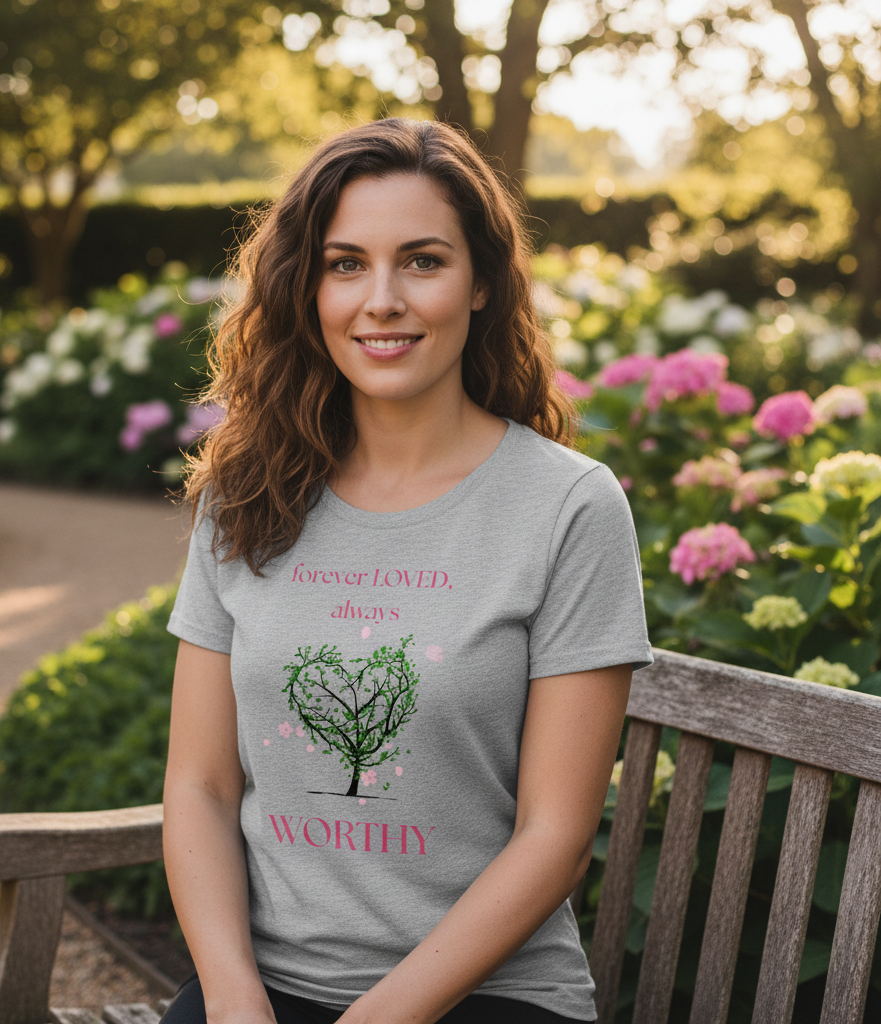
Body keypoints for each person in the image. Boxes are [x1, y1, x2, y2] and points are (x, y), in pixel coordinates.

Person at [161, 117, 652, 1024]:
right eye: (345, 264)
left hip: (485, 993)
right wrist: (231, 999)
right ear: (306, 289)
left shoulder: (567, 507)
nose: (380, 299)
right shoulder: (248, 493)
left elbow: (555, 834)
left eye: (422, 261)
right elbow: (199, 786)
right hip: (266, 990)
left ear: (481, 286)